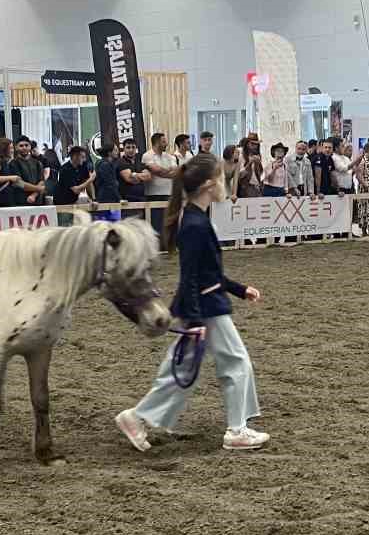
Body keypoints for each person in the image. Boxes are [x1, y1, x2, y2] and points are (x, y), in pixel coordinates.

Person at [114, 153, 267, 453]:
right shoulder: (196, 224)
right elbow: (192, 277)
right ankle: (236, 430)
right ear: (210, 184)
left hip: (201, 304)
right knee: (236, 364)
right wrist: (197, 321)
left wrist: (239, 289)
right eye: (222, 178)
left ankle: (137, 417)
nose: (224, 183)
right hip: (206, 307)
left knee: (182, 370)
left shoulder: (193, 218)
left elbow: (204, 272)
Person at [144, 132, 180, 233]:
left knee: (169, 223)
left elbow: (176, 172)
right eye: (163, 142)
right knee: (156, 224)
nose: (166, 144)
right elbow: (156, 170)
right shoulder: (147, 156)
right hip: (153, 195)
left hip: (169, 194)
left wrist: (162, 172)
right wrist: (167, 170)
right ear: (156, 143)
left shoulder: (169, 157)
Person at [53, 145, 94, 219]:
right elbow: (76, 190)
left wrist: (92, 199)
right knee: (65, 223)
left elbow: (88, 184)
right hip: (61, 202)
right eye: (82, 157)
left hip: (74, 200)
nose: (84, 159)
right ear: (75, 156)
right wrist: (91, 179)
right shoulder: (65, 169)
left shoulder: (83, 166)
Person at [117, 138, 149, 221]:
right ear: (123, 149)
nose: (131, 150)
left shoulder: (139, 162)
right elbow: (129, 179)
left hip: (141, 200)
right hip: (127, 202)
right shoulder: (121, 162)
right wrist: (140, 177)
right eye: (128, 147)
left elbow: (148, 176)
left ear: (136, 149)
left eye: (133, 147)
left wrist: (134, 174)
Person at [92, 141, 123, 221]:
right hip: (106, 200)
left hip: (108, 199)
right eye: (115, 150)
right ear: (109, 153)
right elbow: (110, 183)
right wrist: (120, 198)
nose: (118, 152)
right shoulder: (104, 165)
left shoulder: (107, 164)